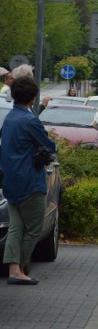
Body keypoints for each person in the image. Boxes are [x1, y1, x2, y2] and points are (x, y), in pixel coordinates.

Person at [0, 77, 57, 285]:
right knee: (34, 226)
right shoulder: (30, 120)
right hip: (30, 181)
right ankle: (20, 268)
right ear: (33, 98)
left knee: (15, 226)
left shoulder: (9, 118)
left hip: (9, 180)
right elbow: (48, 145)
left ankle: (14, 269)